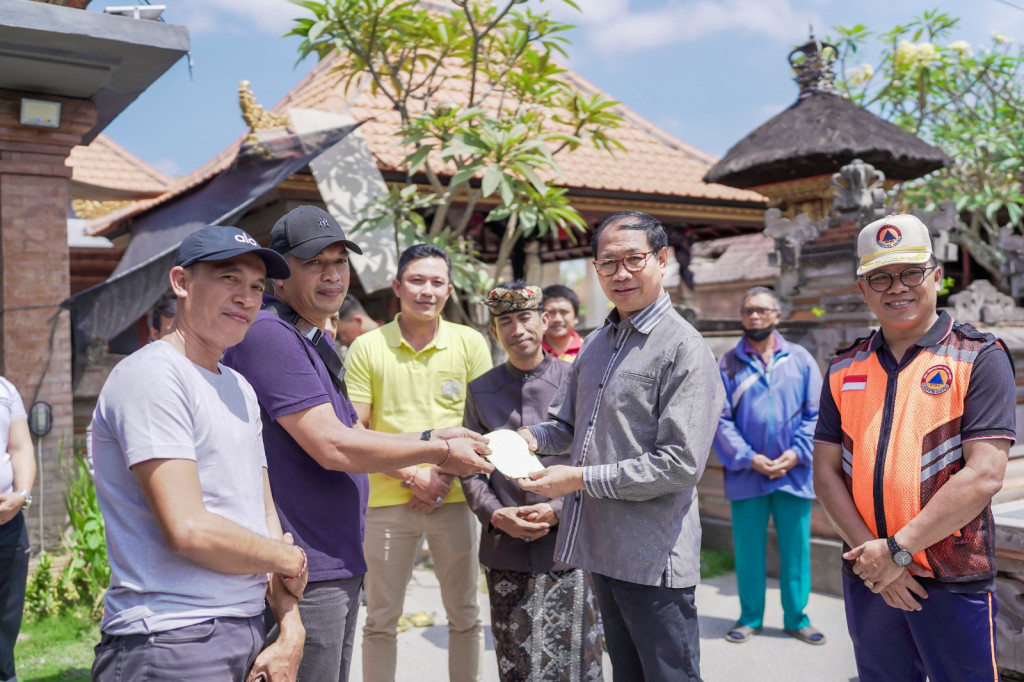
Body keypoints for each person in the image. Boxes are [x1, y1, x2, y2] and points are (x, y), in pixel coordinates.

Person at [223, 206, 493, 682]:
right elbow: (334, 446)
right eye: (314, 263)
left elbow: (351, 432)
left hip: (335, 555)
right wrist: (436, 449)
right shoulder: (269, 335)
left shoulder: (311, 338)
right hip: (305, 562)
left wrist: (437, 442)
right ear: (278, 274)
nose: (332, 276)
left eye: (340, 262)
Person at [90, 225, 309, 681]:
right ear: (181, 283)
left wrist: (290, 628)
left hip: (247, 629)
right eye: (229, 279)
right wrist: (284, 559)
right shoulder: (152, 376)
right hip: (172, 638)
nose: (246, 298)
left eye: (255, 287)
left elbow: (263, 516)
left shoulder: (240, 388)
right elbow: (188, 529)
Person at [518, 211, 724, 681]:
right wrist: (525, 438)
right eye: (609, 262)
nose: (621, 273)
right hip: (601, 549)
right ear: (595, 270)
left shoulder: (683, 348)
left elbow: (679, 465)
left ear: (662, 260)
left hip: (652, 556)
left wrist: (579, 478)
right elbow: (566, 427)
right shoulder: (596, 343)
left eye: (634, 259)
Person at [812, 213, 1016, 681]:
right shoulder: (844, 366)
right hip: (869, 572)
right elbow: (825, 473)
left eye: (910, 273)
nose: (896, 288)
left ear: (937, 276)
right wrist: (875, 558)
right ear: (862, 289)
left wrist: (898, 552)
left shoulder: (978, 356)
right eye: (880, 277)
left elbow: (984, 474)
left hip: (950, 574)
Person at [346, 243, 492, 682]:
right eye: (416, 280)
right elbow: (355, 433)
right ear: (396, 286)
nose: (426, 290)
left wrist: (442, 475)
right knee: (380, 621)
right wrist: (414, 475)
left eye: (436, 282)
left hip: (456, 500)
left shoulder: (470, 343)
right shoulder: (367, 348)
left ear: (449, 290)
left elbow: (481, 425)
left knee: (465, 615)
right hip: (388, 501)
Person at [462, 282, 603, 682]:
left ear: (543, 321)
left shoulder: (578, 381)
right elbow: (471, 468)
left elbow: (596, 458)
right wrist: (496, 513)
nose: (517, 328)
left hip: (571, 544)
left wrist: (558, 509)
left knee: (579, 659)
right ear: (494, 332)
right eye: (505, 321)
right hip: (505, 547)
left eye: (525, 317)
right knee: (516, 663)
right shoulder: (481, 390)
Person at [713, 287, 824, 645]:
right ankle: (749, 617)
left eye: (762, 310)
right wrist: (749, 458)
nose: (754, 316)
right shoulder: (727, 363)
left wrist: (796, 452)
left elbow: (816, 413)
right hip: (748, 473)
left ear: (777, 315)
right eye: (748, 311)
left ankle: (797, 618)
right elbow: (720, 417)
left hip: (795, 470)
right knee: (748, 550)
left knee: (796, 549)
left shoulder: (801, 359)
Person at [0, 377, 34, 682]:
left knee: (3, 629)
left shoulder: (5, 390)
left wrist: (21, 495)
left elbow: (21, 448)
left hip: (7, 526)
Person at [541, 284, 583, 362]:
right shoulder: (532, 352)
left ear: (576, 317)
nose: (557, 319)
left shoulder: (588, 350)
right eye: (551, 312)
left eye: (564, 312)